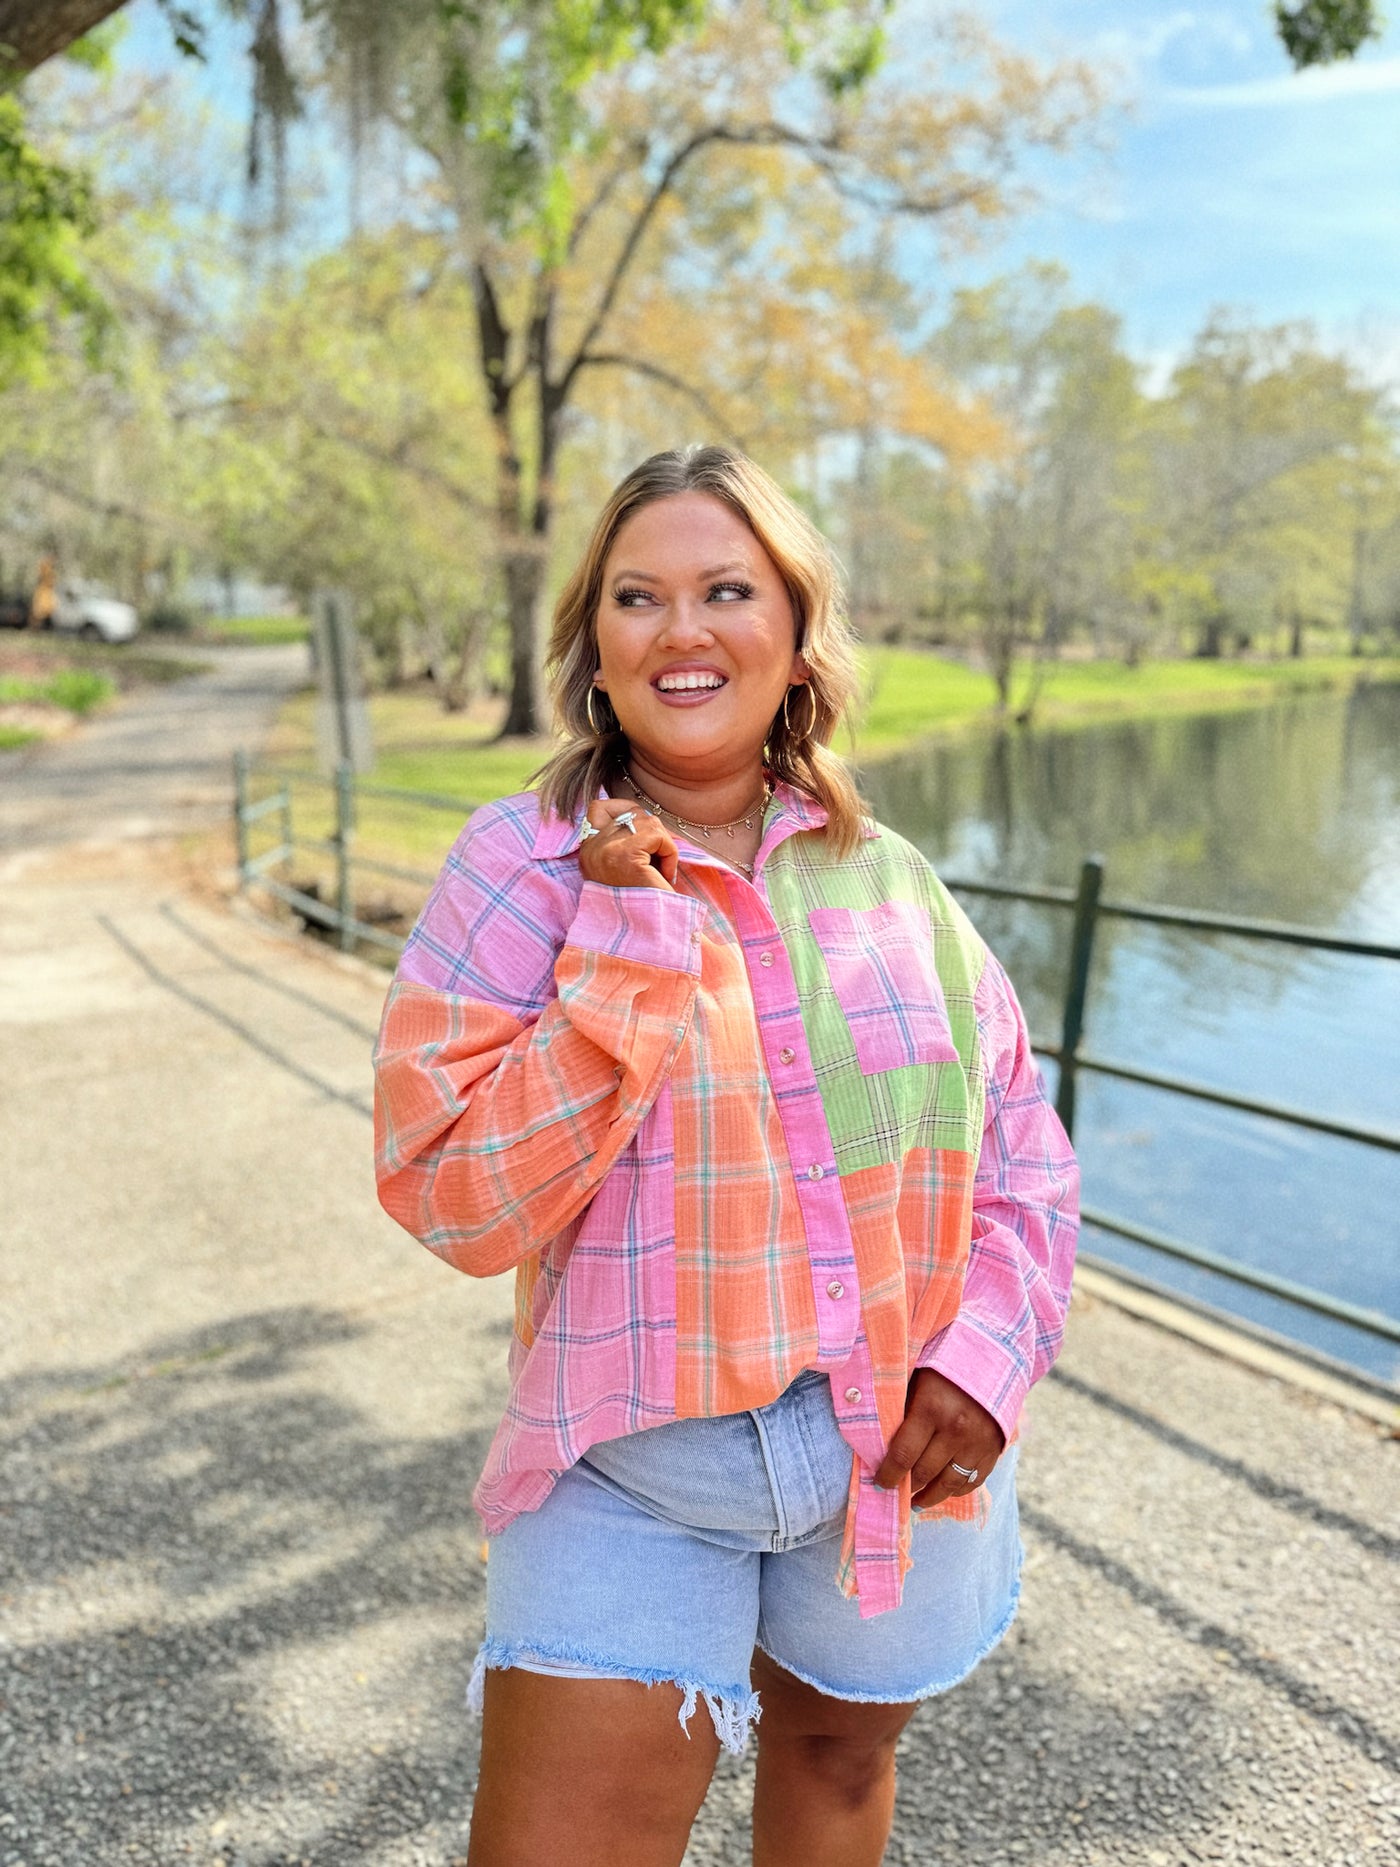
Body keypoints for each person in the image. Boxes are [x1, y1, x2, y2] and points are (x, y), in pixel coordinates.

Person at [373, 445, 1079, 1867]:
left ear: (795, 636)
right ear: (594, 649)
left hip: (892, 1455)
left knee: (832, 1767)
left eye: (725, 590)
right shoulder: (517, 868)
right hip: (630, 1462)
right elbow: (454, 1197)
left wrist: (990, 1354)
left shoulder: (889, 878)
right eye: (639, 596)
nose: (682, 629)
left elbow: (1022, 1151)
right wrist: (627, 955)